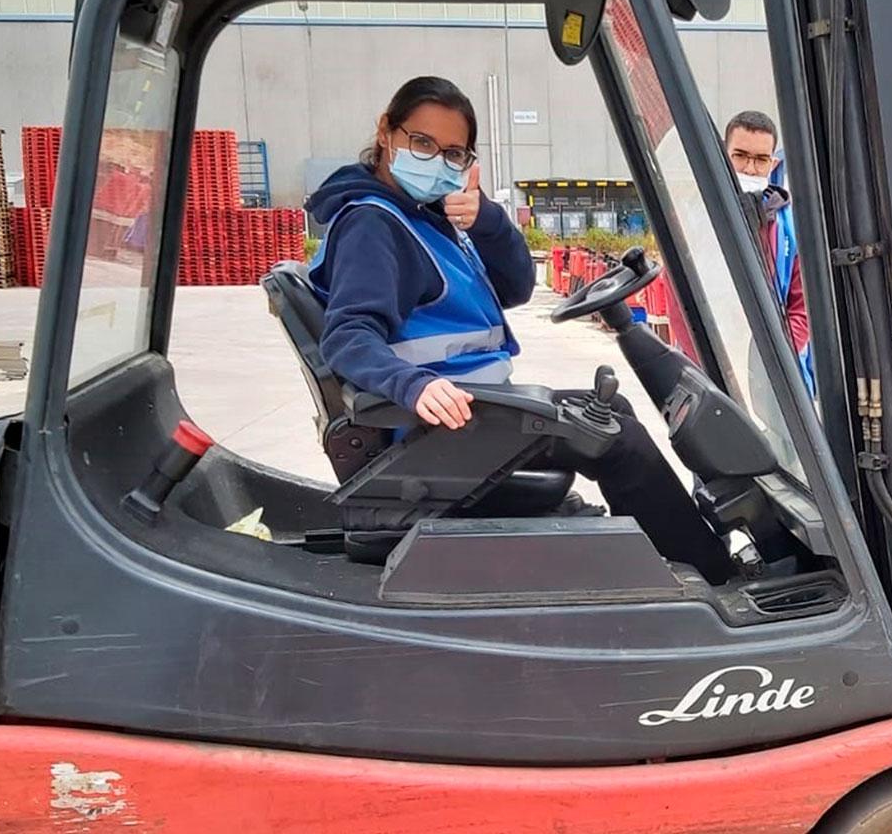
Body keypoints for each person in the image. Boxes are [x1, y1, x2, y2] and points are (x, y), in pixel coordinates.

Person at [305, 76, 733, 583]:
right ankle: (715, 579)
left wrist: (486, 219)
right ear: (386, 131)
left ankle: (671, 566)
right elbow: (348, 335)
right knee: (617, 440)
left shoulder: (423, 218)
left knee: (612, 412)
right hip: (442, 424)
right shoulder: (375, 226)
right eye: (421, 143)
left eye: (452, 152)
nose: (435, 160)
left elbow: (515, 286)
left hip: (476, 409)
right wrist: (412, 384)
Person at [722, 111, 810, 361]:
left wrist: (770, 360)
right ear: (724, 157)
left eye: (760, 160)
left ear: (772, 164)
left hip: (767, 365)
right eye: (740, 156)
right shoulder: (696, 218)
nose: (750, 169)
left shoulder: (789, 228)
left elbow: (802, 308)